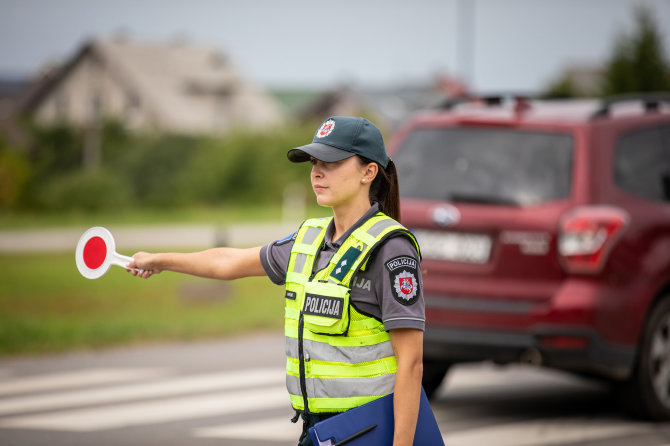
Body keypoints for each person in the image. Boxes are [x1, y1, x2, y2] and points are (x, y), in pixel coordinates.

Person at [128, 116, 424, 446]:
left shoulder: (390, 248)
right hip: (319, 431)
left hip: (368, 429)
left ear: (368, 172)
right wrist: (161, 260)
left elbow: (410, 364)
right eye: (314, 162)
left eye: (332, 162)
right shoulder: (308, 238)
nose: (317, 172)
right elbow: (229, 262)